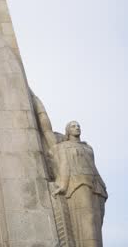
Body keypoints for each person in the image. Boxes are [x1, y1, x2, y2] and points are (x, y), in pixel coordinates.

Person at [32, 93, 107, 247]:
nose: (77, 127)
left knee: (95, 223)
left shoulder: (88, 147)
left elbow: (93, 168)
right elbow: (64, 165)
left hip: (95, 187)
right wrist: (63, 186)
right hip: (76, 186)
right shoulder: (62, 147)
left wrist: (102, 185)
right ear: (67, 131)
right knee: (86, 222)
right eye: (73, 126)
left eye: (78, 125)